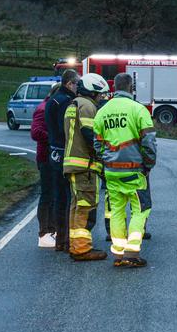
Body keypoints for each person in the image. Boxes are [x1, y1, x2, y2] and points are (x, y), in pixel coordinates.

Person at [93, 73, 157, 268]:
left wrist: (106, 162)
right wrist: (148, 164)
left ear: (114, 87)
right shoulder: (138, 110)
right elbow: (149, 142)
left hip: (111, 171)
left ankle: (119, 253)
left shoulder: (102, 112)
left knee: (117, 211)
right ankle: (132, 252)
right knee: (140, 209)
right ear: (131, 87)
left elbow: (97, 144)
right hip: (134, 171)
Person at [63, 73, 110, 261]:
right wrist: (102, 156)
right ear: (93, 91)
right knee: (85, 207)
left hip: (73, 164)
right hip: (84, 165)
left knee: (76, 206)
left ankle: (75, 245)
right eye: (100, 95)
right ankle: (82, 249)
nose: (101, 98)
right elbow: (90, 135)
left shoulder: (73, 104)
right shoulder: (87, 106)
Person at [45, 69, 78, 252]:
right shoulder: (66, 102)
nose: (77, 87)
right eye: (76, 84)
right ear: (69, 83)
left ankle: (60, 238)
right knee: (68, 198)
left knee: (59, 197)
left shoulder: (52, 100)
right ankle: (66, 239)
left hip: (53, 152)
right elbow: (65, 129)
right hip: (64, 152)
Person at [31, 82, 61, 247]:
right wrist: (53, 138)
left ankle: (52, 229)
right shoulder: (44, 109)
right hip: (46, 158)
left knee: (54, 195)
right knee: (47, 195)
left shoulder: (49, 107)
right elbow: (35, 132)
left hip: (52, 157)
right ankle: (44, 232)